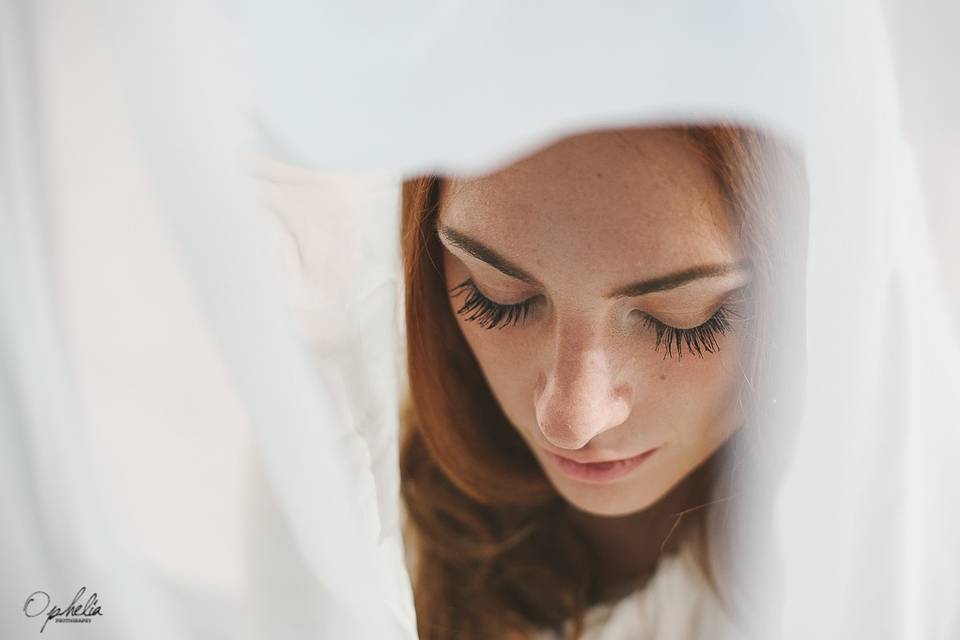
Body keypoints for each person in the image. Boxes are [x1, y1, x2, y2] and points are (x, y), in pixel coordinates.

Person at [398, 125, 807, 640]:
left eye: (684, 319)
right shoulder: (341, 502)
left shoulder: (894, 572)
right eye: (498, 297)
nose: (570, 421)